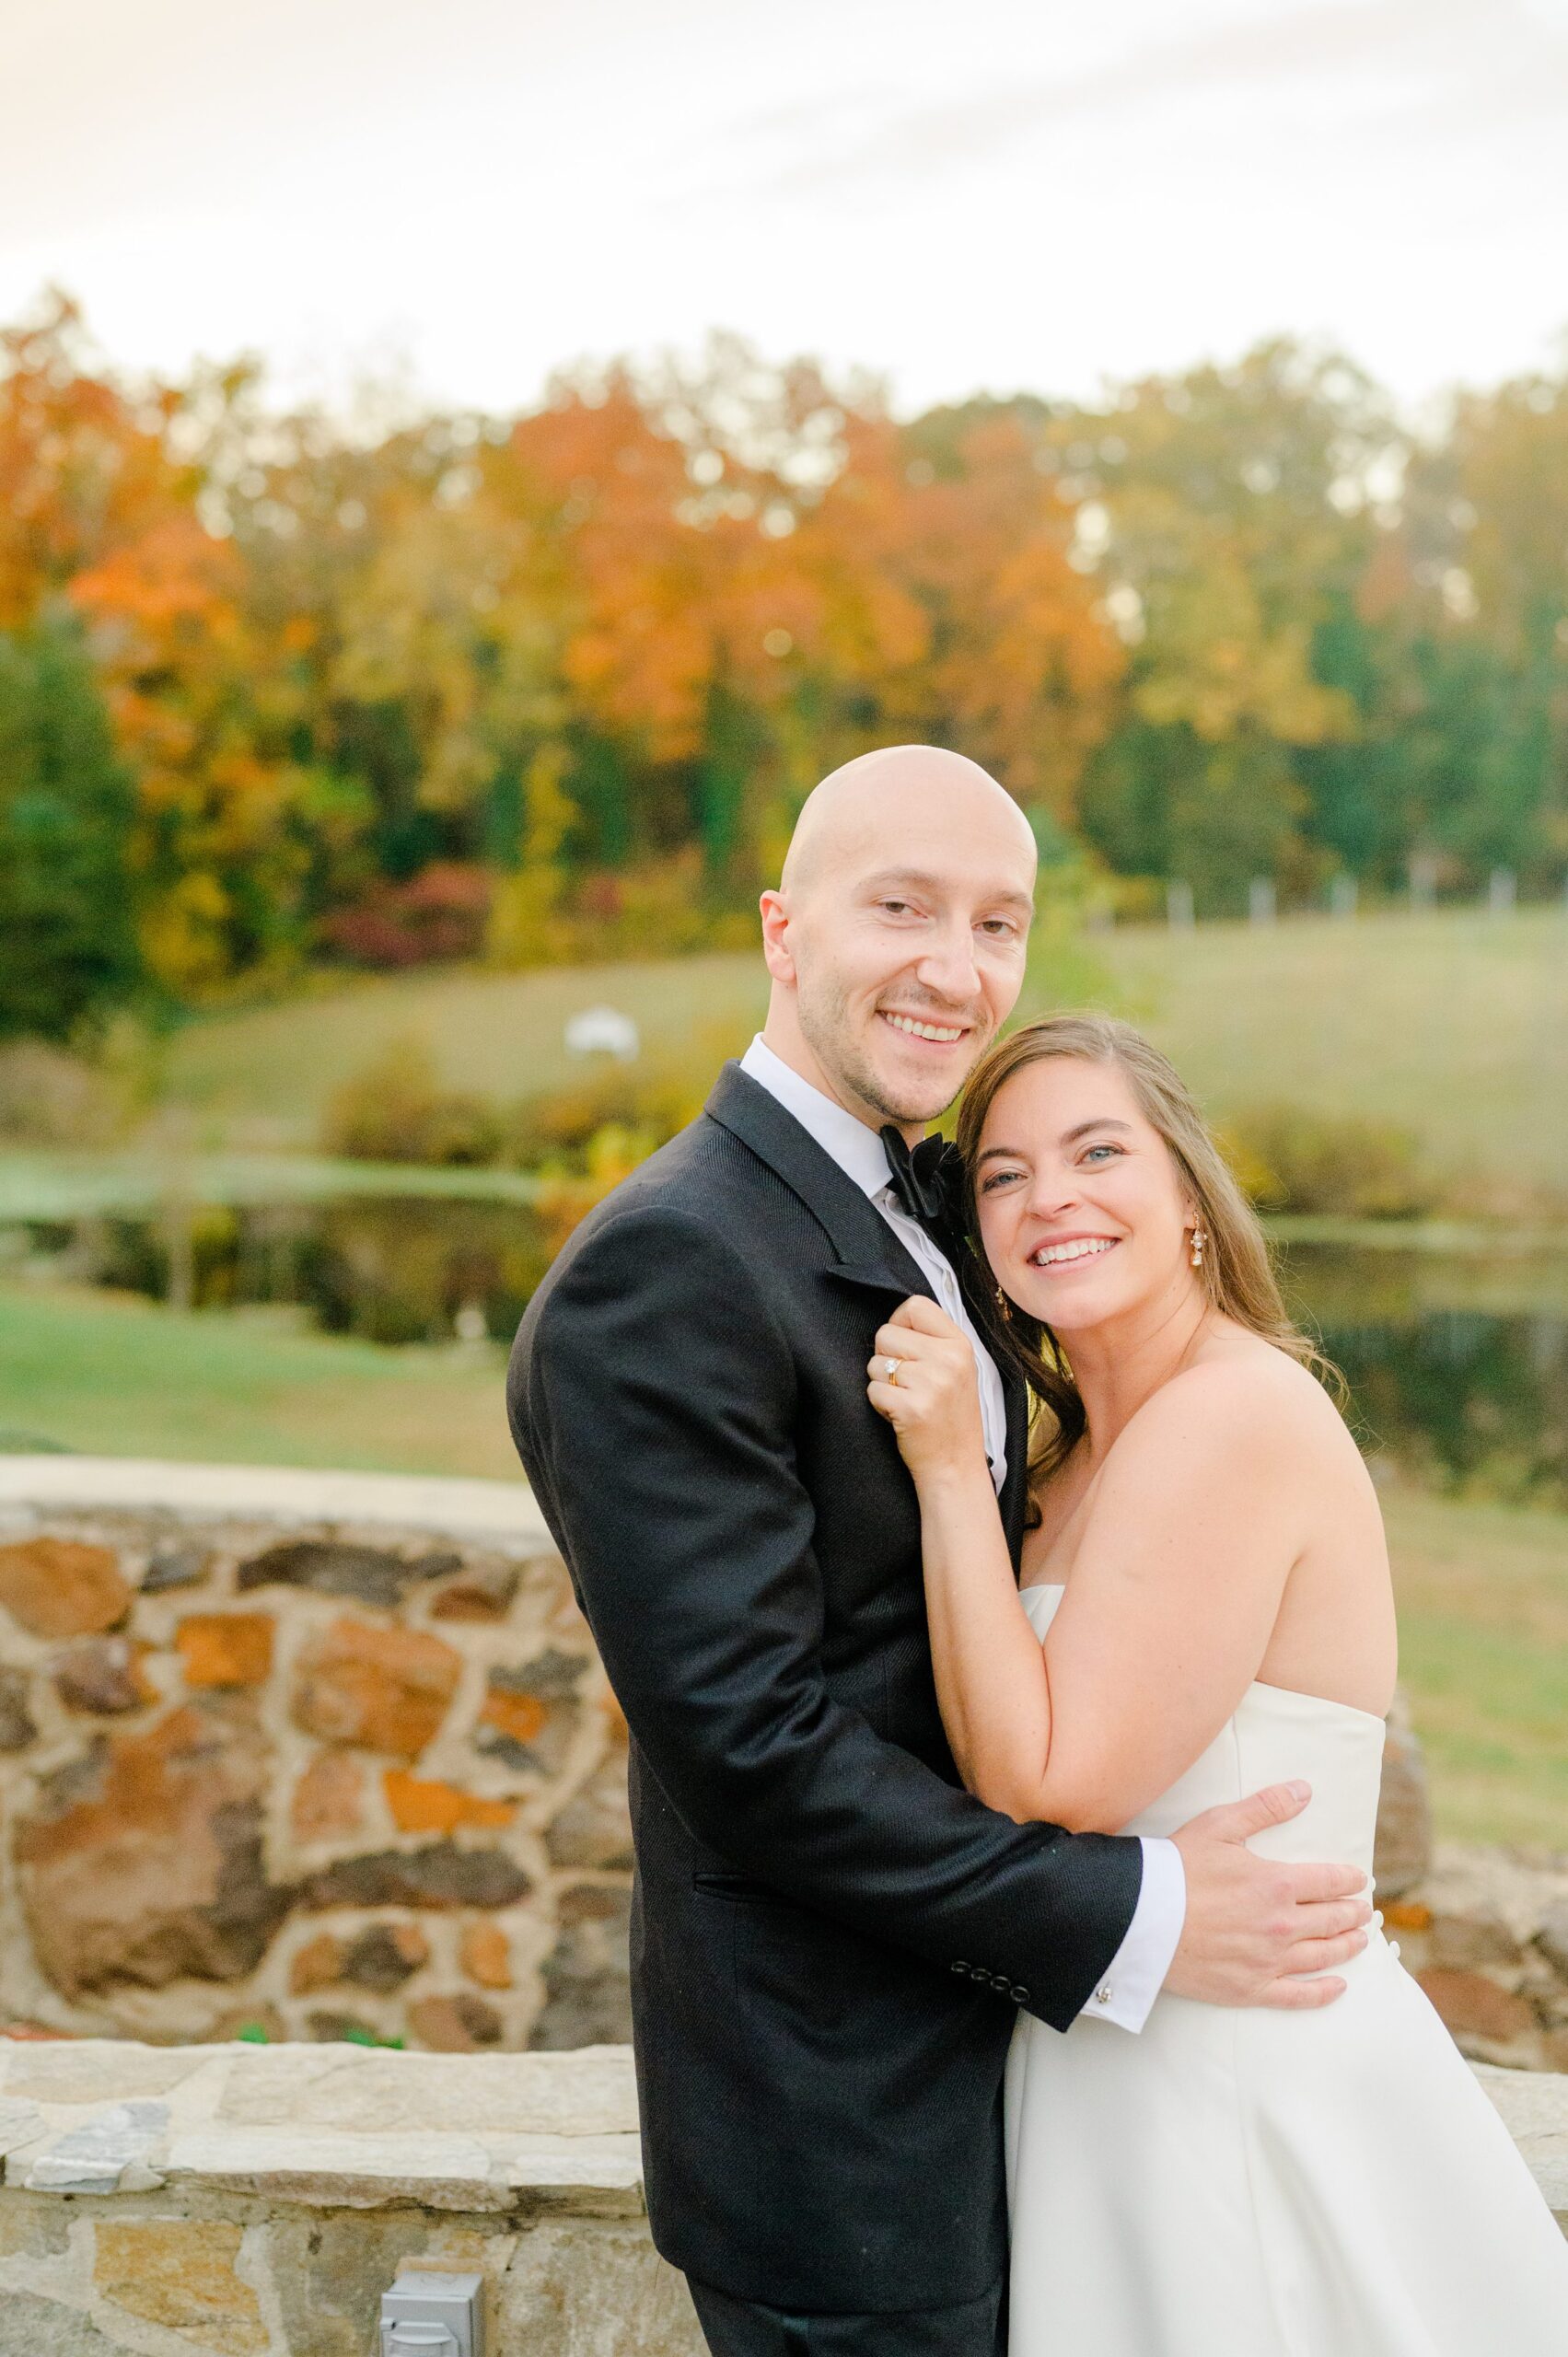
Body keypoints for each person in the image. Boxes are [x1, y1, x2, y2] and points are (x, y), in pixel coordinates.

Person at [507, 747, 1372, 2357]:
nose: (953, 968)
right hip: (843, 2128)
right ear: (783, 929)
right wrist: (1138, 1914)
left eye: (997, 923)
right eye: (901, 908)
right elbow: (754, 1750)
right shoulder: (672, 1270)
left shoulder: (947, 1225)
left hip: (1033, 2094)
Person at [867, 1011, 1568, 2354]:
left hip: (1241, 2083)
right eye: (1004, 1173)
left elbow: (1042, 1782)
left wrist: (949, 1469)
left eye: (1096, 1152)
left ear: (1187, 1193)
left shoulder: (1234, 1416)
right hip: (1105, 2068)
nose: (1049, 1197)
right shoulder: (1063, 1465)